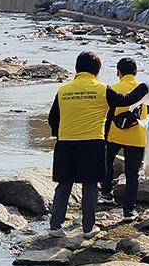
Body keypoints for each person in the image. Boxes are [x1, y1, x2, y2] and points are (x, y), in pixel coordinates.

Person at [46, 51, 110, 235]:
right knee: (90, 185)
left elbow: (53, 118)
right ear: (97, 69)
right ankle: (88, 228)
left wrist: (61, 134)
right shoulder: (103, 89)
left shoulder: (63, 90)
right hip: (92, 143)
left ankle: (55, 226)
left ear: (77, 68)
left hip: (66, 143)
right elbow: (124, 102)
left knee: (64, 184)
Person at [104, 58, 149, 223]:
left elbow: (107, 114)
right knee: (133, 174)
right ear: (136, 72)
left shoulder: (113, 88)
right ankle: (129, 210)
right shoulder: (144, 90)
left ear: (119, 72)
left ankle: (106, 193)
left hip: (115, 134)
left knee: (107, 161)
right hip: (137, 136)